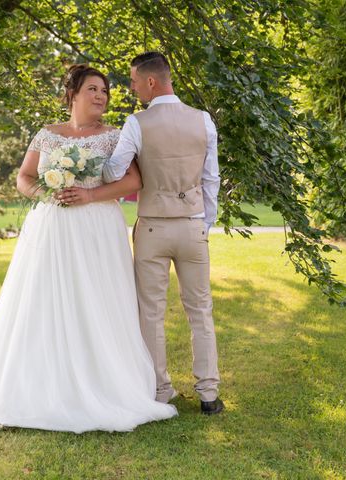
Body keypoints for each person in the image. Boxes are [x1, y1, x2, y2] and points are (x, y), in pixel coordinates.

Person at [0, 64, 177, 433]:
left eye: (105, 91)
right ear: (73, 93)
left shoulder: (114, 136)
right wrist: (47, 195)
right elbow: (24, 177)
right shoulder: (47, 135)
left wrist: (90, 194)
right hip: (52, 227)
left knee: (98, 299)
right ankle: (42, 377)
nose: (101, 96)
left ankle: (103, 381)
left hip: (97, 228)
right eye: (94, 89)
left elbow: (134, 179)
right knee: (44, 298)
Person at [95, 51, 224, 415]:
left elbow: (114, 172)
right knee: (200, 309)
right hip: (192, 225)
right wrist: (204, 223)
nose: (133, 87)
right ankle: (209, 394)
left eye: (135, 81)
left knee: (151, 312)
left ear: (151, 81)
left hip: (152, 226)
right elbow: (211, 178)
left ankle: (159, 390)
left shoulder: (136, 123)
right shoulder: (203, 121)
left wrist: (99, 169)